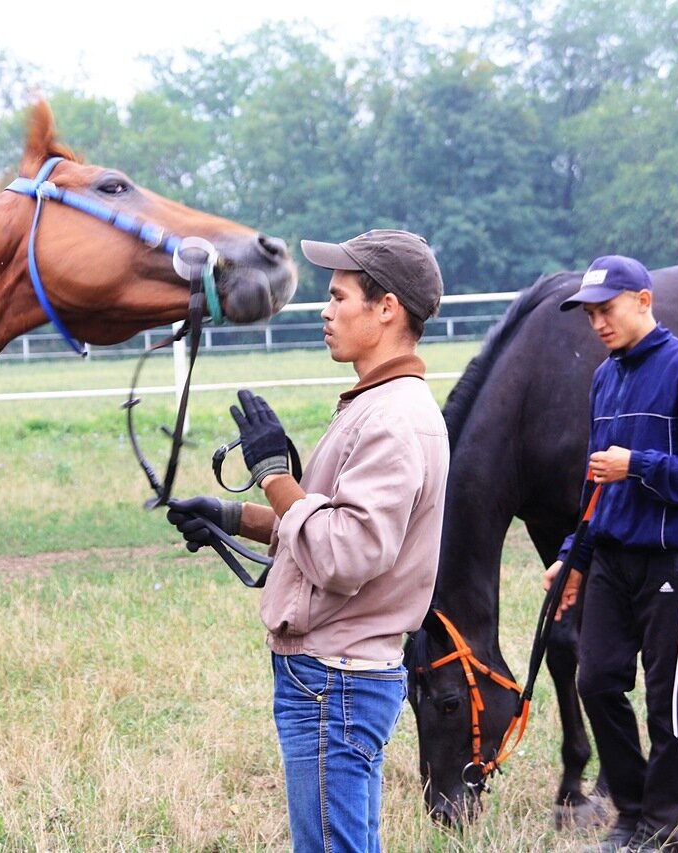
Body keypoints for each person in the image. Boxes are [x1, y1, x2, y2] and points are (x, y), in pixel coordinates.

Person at [167, 229, 450, 852]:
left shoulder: (393, 421)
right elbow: (330, 524)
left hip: (334, 679)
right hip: (337, 675)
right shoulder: (381, 404)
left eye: (338, 296)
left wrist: (273, 477)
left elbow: (344, 555)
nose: (325, 311)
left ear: (386, 308)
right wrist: (232, 516)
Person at [544, 255, 678, 853]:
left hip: (672, 559)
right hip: (609, 559)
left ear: (643, 301)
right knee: (597, 681)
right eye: (590, 314)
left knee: (667, 700)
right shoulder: (605, 377)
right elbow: (595, 482)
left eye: (607, 309)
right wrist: (573, 557)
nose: (597, 323)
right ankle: (631, 813)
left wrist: (642, 466)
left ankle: (659, 827)